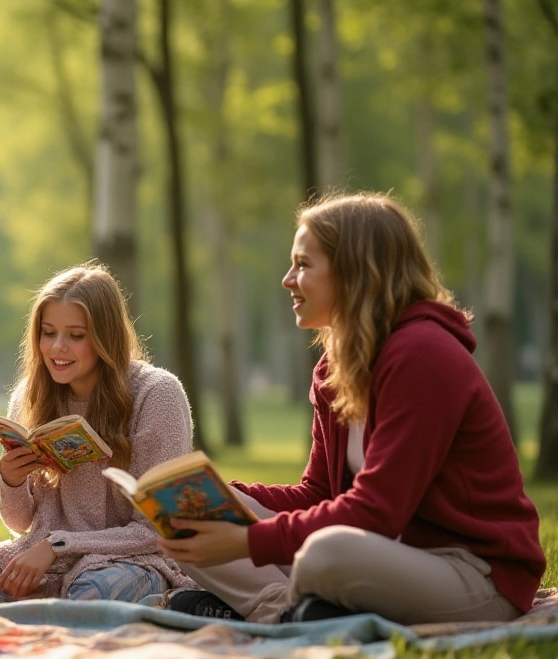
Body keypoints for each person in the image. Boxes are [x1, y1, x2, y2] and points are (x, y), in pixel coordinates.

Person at [160, 192, 547, 625]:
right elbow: (320, 494)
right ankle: (284, 612)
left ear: (355, 270)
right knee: (189, 515)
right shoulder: (335, 365)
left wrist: (247, 541)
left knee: (327, 555)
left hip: (475, 575)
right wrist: (224, 498)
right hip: (387, 556)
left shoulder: (423, 356)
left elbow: (377, 513)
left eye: (304, 264)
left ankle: (283, 611)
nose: (287, 279)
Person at [0, 262, 198, 604]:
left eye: (76, 335)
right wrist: (11, 480)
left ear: (106, 337)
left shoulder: (157, 393)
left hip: (131, 561)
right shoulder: (30, 395)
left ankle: (55, 603)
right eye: (48, 333)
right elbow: (19, 524)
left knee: (94, 590)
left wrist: (58, 546)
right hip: (49, 561)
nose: (58, 347)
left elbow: (155, 530)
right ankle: (61, 603)